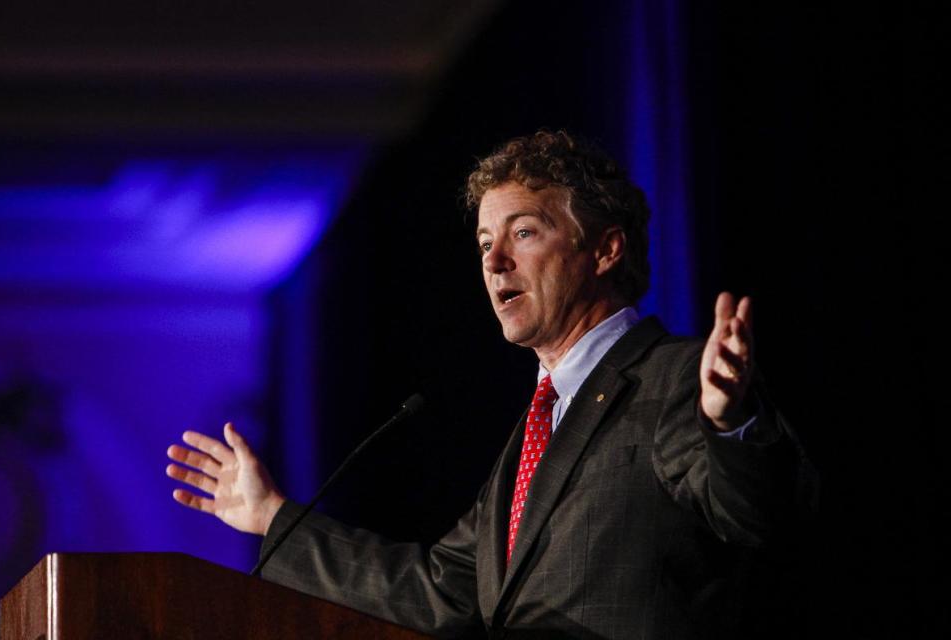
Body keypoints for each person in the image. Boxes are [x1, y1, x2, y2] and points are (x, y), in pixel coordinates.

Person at [166, 130, 815, 639]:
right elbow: (440, 591)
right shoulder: (534, 432)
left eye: (524, 233)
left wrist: (733, 425)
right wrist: (273, 518)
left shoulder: (674, 378)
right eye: (484, 243)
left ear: (605, 250)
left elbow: (758, 514)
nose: (494, 261)